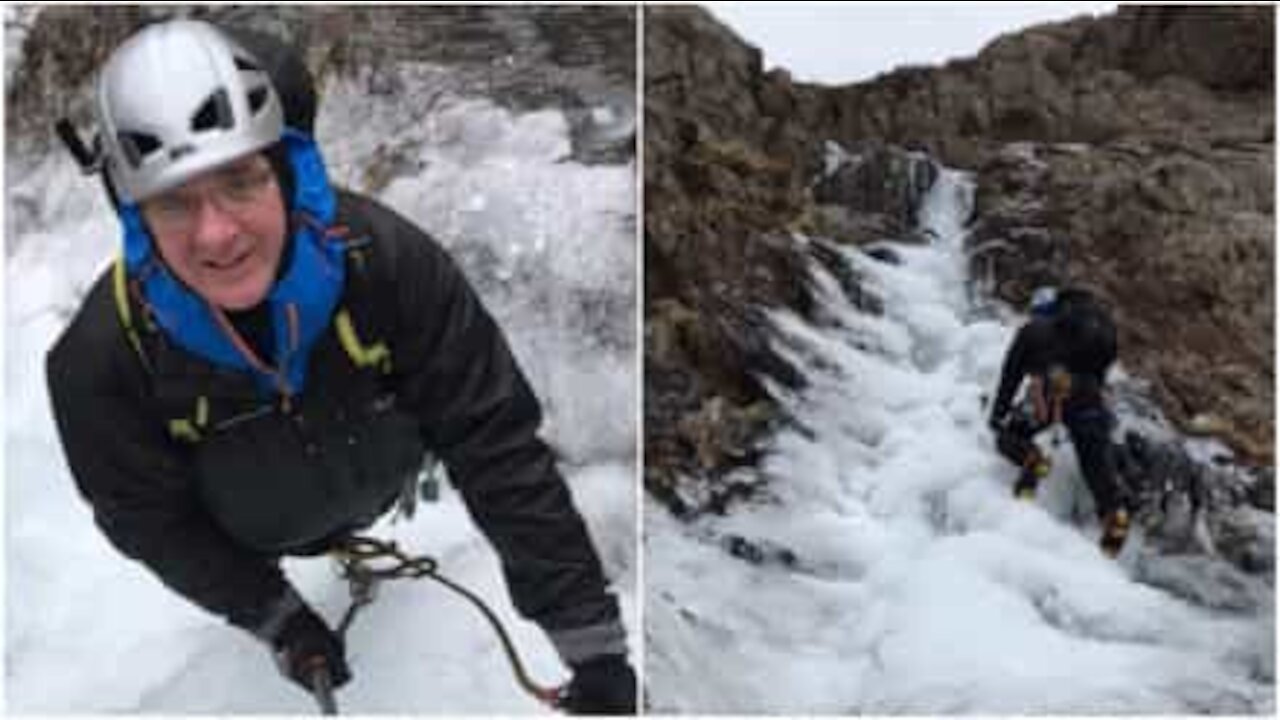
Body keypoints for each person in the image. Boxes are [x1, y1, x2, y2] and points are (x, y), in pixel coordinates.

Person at [45, 20, 635, 714]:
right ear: (135, 215)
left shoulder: (387, 266)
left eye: (240, 181)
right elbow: (150, 522)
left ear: (290, 173)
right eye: (174, 201)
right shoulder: (99, 367)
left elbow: (495, 447)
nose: (216, 233)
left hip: (381, 472)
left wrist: (593, 651)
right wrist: (277, 618)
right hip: (257, 530)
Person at [987, 285, 1132, 557]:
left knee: (1011, 434)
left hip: (1050, 390)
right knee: (1094, 463)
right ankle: (1114, 512)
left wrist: (997, 415)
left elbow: (1011, 375)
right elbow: (1101, 373)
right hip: (1088, 396)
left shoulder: (1033, 330)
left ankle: (1032, 458)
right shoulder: (1095, 331)